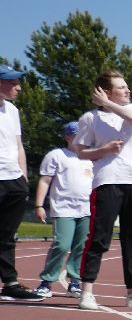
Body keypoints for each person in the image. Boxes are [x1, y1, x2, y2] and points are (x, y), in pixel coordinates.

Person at [72, 71, 132, 310]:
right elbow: (80, 151)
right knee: (100, 236)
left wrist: (109, 104)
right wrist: (105, 150)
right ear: (106, 90)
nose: (127, 90)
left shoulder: (130, 109)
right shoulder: (90, 119)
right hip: (108, 180)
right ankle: (87, 291)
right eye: (121, 87)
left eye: (126, 86)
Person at [33, 121, 94, 298]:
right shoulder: (57, 155)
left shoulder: (90, 158)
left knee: (80, 247)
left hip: (86, 209)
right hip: (63, 209)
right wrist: (39, 205)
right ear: (68, 137)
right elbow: (45, 181)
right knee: (62, 245)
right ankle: (46, 282)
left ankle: (74, 281)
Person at [0, 66, 41, 302]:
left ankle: (10, 284)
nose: (19, 87)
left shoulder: (12, 111)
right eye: (13, 82)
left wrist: (23, 178)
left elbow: (18, 146)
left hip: (13, 180)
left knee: (7, 235)